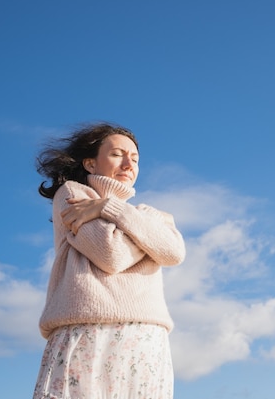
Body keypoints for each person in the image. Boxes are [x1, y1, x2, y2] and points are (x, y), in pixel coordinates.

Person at [32, 122, 186, 399]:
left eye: (135, 159)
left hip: (147, 339)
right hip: (88, 334)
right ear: (90, 164)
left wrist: (109, 208)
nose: (129, 164)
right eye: (117, 154)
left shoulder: (146, 214)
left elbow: (174, 253)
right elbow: (110, 254)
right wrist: (148, 237)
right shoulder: (73, 195)